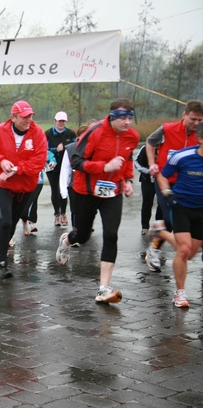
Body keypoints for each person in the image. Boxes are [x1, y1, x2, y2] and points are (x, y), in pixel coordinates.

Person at [55, 98, 140, 304]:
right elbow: (77, 161)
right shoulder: (94, 132)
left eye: (130, 117)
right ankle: (67, 241)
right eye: (123, 117)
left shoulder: (132, 136)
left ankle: (103, 288)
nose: (127, 122)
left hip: (112, 192)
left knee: (111, 235)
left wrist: (128, 180)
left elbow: (127, 159)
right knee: (83, 236)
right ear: (112, 116)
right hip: (86, 191)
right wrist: (104, 167)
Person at [0, 101, 47, 278]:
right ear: (13, 117)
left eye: (30, 116)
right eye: (24, 117)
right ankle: (2, 261)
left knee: (13, 221)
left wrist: (16, 169)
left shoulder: (37, 132)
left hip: (26, 186)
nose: (28, 120)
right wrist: (0, 160)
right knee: (6, 221)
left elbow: (39, 160)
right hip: (3, 184)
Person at [144, 100, 203, 271]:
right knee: (171, 219)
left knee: (183, 221)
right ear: (184, 115)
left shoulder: (199, 136)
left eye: (200, 120)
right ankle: (155, 249)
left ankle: (159, 238)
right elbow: (150, 142)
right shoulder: (167, 129)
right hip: (165, 179)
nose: (196, 123)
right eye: (193, 119)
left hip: (186, 183)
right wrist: (151, 163)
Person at [154, 122, 203, 308]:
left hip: (201, 210)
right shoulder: (182, 156)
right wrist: (167, 193)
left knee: (190, 254)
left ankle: (161, 232)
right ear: (200, 139)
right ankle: (180, 293)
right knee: (183, 250)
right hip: (182, 206)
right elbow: (162, 175)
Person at [45, 111, 77, 227]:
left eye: (63, 121)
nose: (61, 123)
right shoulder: (47, 134)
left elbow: (74, 148)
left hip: (66, 167)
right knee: (55, 190)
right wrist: (56, 150)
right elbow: (44, 149)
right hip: (52, 166)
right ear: (55, 121)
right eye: (59, 121)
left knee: (64, 189)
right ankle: (57, 214)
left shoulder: (70, 134)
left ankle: (63, 213)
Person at [21, 151, 57, 236]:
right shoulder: (25, 147)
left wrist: (52, 162)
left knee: (33, 199)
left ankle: (31, 221)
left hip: (38, 181)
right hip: (25, 179)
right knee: (27, 201)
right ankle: (25, 220)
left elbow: (48, 154)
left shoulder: (39, 148)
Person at [134, 145, 162, 235]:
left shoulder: (167, 147)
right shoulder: (145, 148)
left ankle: (159, 227)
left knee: (162, 204)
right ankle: (145, 227)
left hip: (162, 180)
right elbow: (137, 162)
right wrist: (148, 171)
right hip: (147, 180)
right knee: (147, 203)